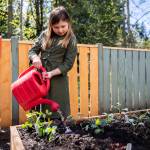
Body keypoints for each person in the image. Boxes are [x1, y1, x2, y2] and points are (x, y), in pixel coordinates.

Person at [28, 6, 77, 118]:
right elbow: (32, 51)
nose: (60, 30)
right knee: (38, 110)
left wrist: (51, 74)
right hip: (39, 78)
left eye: (63, 26)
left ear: (68, 23)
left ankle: (60, 129)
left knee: (57, 111)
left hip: (57, 80)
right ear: (51, 25)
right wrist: (35, 58)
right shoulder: (44, 35)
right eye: (56, 27)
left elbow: (68, 64)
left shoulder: (71, 39)